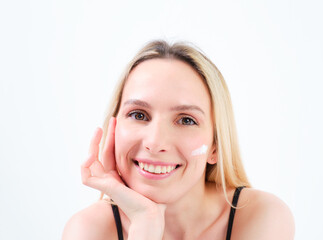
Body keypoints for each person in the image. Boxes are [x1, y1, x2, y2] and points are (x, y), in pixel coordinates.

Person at [62, 40, 295, 240]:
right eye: (138, 115)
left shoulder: (261, 216)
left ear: (215, 146)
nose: (155, 142)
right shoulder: (89, 230)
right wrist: (145, 224)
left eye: (185, 120)